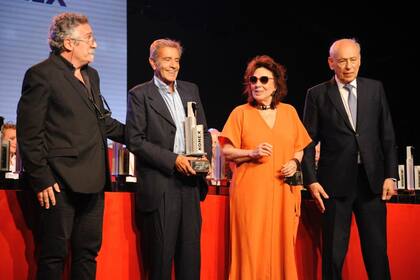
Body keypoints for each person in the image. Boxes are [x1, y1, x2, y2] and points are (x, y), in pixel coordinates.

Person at [16, 12, 125, 280]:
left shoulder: (92, 75)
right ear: (68, 43)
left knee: (87, 253)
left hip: (93, 180)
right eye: (89, 38)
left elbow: (103, 122)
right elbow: (29, 133)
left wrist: (144, 136)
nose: (95, 44)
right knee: (53, 255)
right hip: (58, 183)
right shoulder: (41, 74)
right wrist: (41, 179)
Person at [301, 38, 398, 280]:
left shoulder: (375, 89)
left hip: (371, 181)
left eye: (353, 60)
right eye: (342, 60)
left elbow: (387, 135)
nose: (348, 66)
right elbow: (307, 141)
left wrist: (391, 174)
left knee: (377, 253)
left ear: (360, 60)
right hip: (333, 185)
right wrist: (311, 181)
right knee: (333, 255)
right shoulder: (317, 94)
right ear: (331, 62)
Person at [126, 38, 212, 280]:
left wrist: (204, 155)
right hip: (162, 184)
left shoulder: (190, 90)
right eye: (167, 59)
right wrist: (173, 160)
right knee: (161, 261)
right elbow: (135, 139)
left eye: (177, 60)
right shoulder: (140, 94)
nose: (173, 65)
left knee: (190, 260)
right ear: (153, 62)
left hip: (191, 184)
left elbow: (203, 131)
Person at [219, 55, 312, 279]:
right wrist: (251, 152)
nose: (257, 84)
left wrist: (294, 161)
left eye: (263, 79)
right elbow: (226, 151)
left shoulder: (289, 112)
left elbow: (300, 146)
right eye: (253, 80)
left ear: (275, 85)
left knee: (282, 245)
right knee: (251, 246)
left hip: (283, 192)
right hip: (250, 193)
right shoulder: (240, 113)